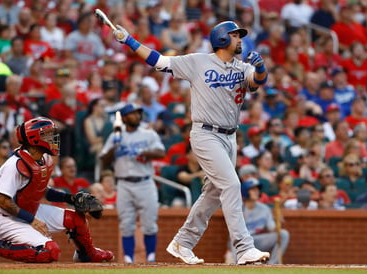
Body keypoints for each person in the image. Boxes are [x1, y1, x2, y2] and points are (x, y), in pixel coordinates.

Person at [110, 20, 270, 264]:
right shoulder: (198, 61)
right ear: (222, 38)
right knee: (231, 185)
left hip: (229, 137)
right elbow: (159, 61)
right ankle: (244, 247)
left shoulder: (241, 67)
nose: (240, 40)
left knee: (214, 193)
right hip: (206, 134)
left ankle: (182, 242)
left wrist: (260, 69)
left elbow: (257, 82)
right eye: (236, 35)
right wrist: (128, 40)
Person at [0, 117, 114, 263]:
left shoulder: (44, 158)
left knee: (76, 219)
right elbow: (2, 201)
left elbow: (42, 190)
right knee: (50, 252)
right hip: (6, 218)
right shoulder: (14, 165)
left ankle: (87, 254)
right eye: (47, 135)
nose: (52, 138)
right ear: (35, 138)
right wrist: (32, 220)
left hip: (28, 209)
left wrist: (70, 198)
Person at [100, 103, 165, 263]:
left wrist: (144, 152)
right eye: (132, 113)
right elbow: (104, 161)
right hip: (124, 183)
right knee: (126, 223)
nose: (136, 116)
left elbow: (161, 152)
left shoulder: (148, 134)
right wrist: (114, 147)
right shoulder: (116, 136)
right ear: (124, 117)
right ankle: (128, 258)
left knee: (149, 223)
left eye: (137, 113)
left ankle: (151, 257)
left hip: (145, 181)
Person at [240, 179, 290, 264]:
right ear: (245, 192)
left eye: (257, 190)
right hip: (243, 242)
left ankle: (272, 265)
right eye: (253, 190)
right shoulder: (238, 208)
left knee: (283, 234)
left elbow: (272, 229)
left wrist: (278, 222)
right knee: (233, 239)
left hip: (258, 239)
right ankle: (237, 263)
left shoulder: (264, 208)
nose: (256, 192)